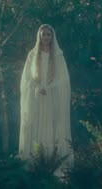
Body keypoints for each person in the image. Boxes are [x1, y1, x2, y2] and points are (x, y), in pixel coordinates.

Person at [19, 24, 73, 176]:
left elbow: (64, 80)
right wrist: (36, 88)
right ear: (39, 36)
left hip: (52, 100)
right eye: (43, 35)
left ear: (52, 36)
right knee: (35, 127)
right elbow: (26, 79)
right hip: (36, 100)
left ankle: (53, 166)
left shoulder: (58, 56)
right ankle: (34, 165)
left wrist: (50, 88)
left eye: (48, 34)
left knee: (51, 129)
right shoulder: (32, 55)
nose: (46, 37)